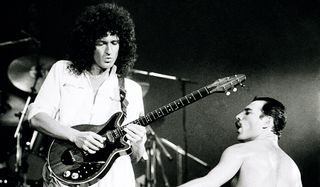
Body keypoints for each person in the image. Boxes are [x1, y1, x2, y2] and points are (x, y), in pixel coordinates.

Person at [27, 3, 146, 187]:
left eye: (114, 43)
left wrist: (136, 142)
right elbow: (36, 118)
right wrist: (75, 136)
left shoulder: (132, 89)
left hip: (115, 181)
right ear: (88, 43)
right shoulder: (62, 71)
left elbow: (137, 156)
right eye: (102, 43)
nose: (109, 51)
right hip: (65, 176)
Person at [179, 97, 302, 187]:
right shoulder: (293, 168)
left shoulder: (241, 151)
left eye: (248, 112)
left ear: (267, 122)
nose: (238, 116)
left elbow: (209, 183)